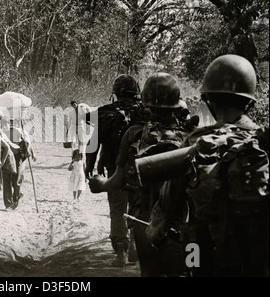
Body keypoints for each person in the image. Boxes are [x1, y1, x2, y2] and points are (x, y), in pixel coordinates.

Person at [146, 54, 269, 277]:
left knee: (191, 263)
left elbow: (167, 207)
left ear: (208, 99)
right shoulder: (263, 143)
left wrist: (156, 233)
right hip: (256, 256)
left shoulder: (195, 143)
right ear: (249, 100)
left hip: (199, 252)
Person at [89, 72, 190, 276]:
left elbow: (115, 178)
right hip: (182, 226)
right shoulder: (192, 136)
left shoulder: (134, 132)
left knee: (150, 270)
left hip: (144, 218)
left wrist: (98, 183)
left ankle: (121, 250)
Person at [85, 74, 144, 267]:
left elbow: (93, 145)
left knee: (117, 210)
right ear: (136, 92)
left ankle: (121, 252)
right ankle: (135, 246)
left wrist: (89, 166)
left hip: (113, 168)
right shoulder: (145, 113)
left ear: (116, 93)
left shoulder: (104, 114)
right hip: (140, 169)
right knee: (138, 207)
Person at [2, 118, 36, 210]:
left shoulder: (22, 132)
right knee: (6, 181)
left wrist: (32, 153)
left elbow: (28, 144)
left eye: (14, 121)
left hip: (18, 158)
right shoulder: (4, 131)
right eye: (11, 121)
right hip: (6, 158)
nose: (12, 123)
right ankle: (8, 204)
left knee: (16, 180)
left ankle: (15, 199)